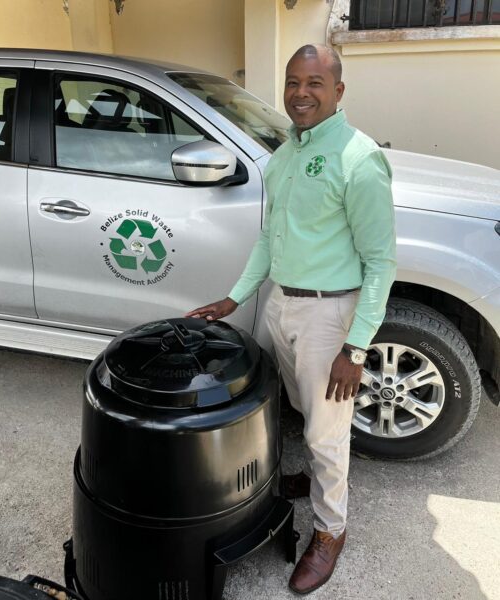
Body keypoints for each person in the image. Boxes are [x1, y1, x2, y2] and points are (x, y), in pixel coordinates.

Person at [186, 43, 396, 594]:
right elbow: (268, 238)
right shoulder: (284, 157)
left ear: (338, 91)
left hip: (330, 313)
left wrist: (355, 348)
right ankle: (310, 480)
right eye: (293, 82)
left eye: (314, 83)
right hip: (282, 305)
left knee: (327, 433)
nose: (301, 94)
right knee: (299, 408)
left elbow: (381, 263)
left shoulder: (358, 159)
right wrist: (234, 299)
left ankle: (330, 531)